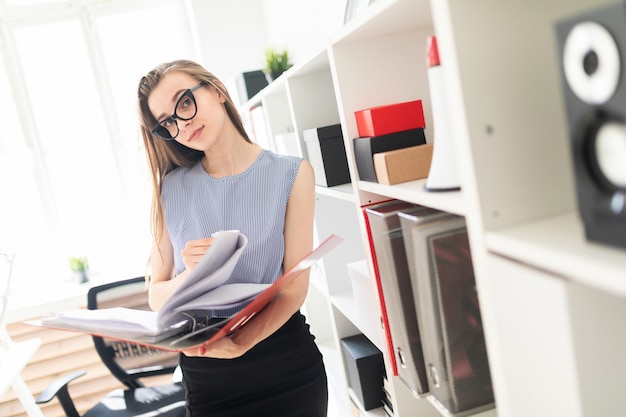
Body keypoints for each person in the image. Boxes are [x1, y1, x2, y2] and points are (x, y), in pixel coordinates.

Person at [137, 59, 328, 417]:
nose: (182, 122)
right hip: (209, 377)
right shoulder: (170, 191)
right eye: (168, 122)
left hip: (285, 363)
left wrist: (243, 342)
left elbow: (293, 288)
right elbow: (155, 295)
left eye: (185, 102)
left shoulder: (292, 174)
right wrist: (191, 274)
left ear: (217, 90)